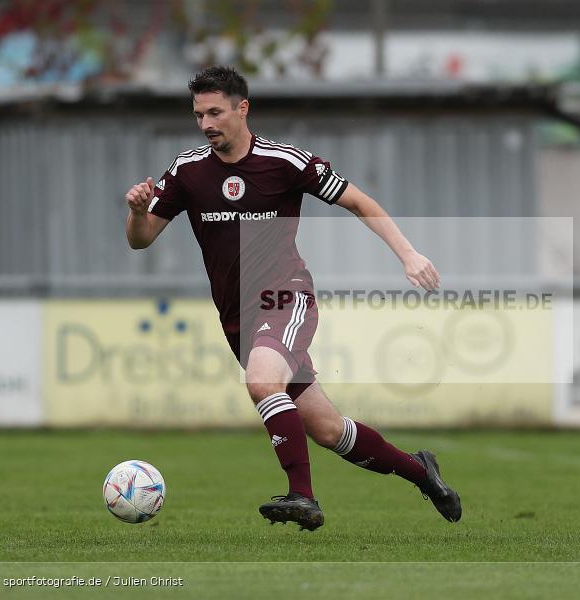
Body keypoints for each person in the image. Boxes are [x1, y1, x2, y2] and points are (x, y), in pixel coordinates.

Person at [124, 65, 461, 531]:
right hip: (237, 318)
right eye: (199, 114)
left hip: (286, 297)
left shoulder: (285, 161)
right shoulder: (187, 171)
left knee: (263, 384)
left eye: (215, 112)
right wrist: (138, 213)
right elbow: (140, 241)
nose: (206, 124)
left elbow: (360, 201)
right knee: (328, 430)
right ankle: (422, 472)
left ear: (243, 109)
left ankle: (302, 495)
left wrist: (408, 253)